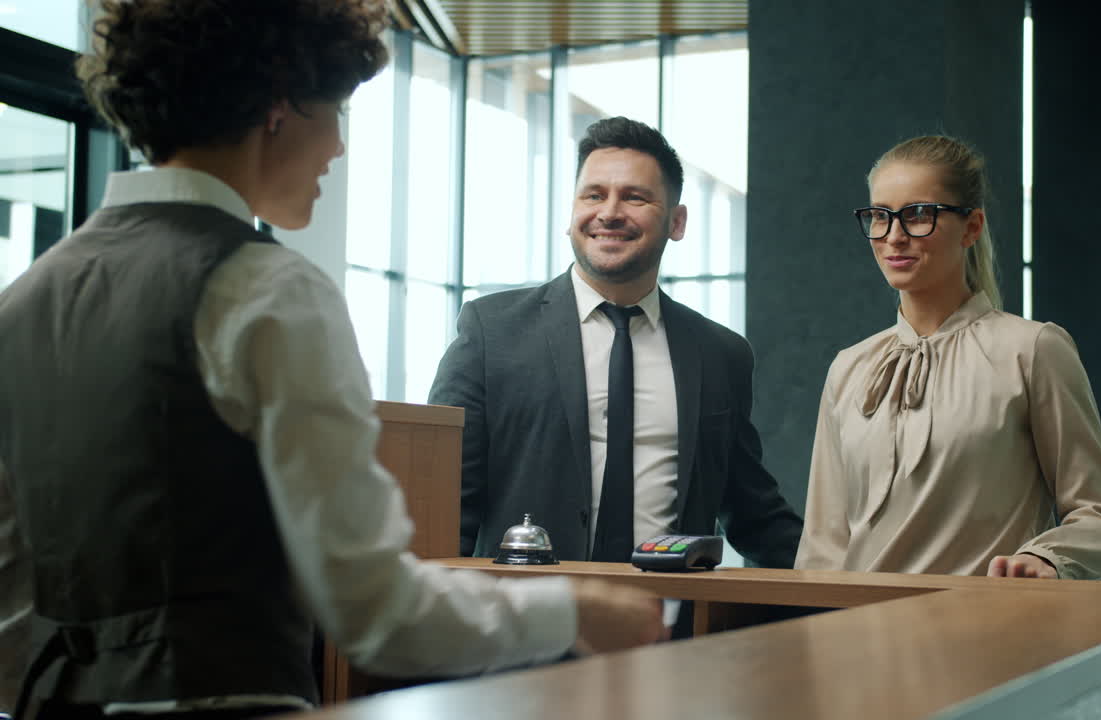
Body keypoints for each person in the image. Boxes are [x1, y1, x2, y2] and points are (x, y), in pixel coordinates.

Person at [0, 2, 663, 718]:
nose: (339, 148)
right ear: (280, 106)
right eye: (337, 110)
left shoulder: (29, 296)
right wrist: (576, 612)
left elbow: (9, 594)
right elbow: (374, 609)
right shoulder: (268, 291)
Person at [429, 117, 802, 569]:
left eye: (634, 197)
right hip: (523, 625)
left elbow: (753, 512)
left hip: (671, 627)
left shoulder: (721, 354)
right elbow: (447, 504)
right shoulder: (492, 331)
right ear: (572, 215)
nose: (609, 212)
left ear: (676, 222)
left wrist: (852, 586)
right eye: (593, 194)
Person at [795, 135, 1101, 580]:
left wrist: (1046, 558)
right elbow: (823, 544)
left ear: (972, 227)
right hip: (857, 636)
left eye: (918, 214)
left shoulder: (1032, 349)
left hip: (985, 633)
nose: (894, 236)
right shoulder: (849, 367)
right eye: (880, 216)